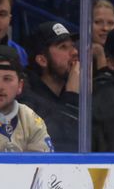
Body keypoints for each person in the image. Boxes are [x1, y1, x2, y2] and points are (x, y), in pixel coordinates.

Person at [19, 20, 79, 151]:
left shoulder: (79, 91)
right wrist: (72, 98)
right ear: (42, 60)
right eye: (63, 47)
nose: (74, 52)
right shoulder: (27, 101)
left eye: (73, 46)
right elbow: (61, 144)